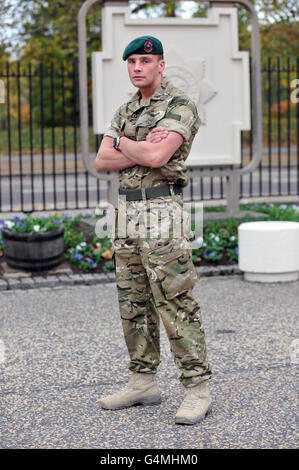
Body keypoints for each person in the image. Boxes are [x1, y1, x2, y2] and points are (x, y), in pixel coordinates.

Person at [95, 35, 212, 425]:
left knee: (174, 300)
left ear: (160, 65)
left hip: (162, 210)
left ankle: (197, 388)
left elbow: (158, 156)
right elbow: (101, 160)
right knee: (134, 301)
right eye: (131, 62)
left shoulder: (180, 104)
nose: (136, 67)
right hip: (127, 210)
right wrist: (140, 143)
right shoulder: (126, 107)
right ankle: (143, 380)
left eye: (145, 61)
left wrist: (125, 143)